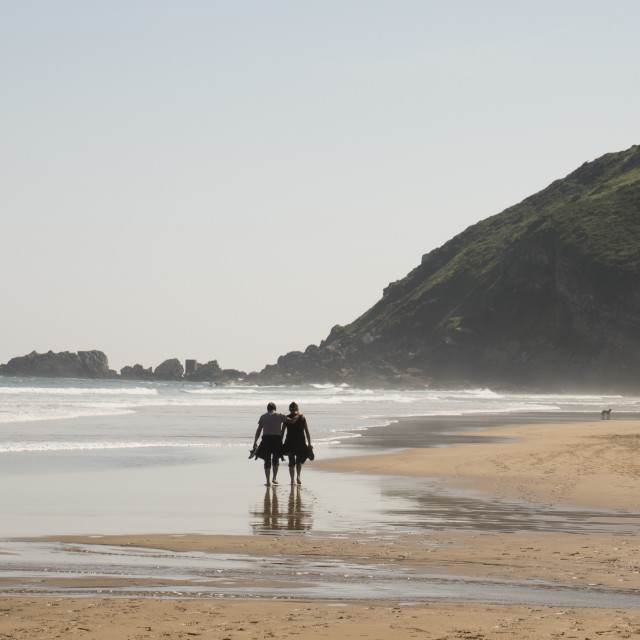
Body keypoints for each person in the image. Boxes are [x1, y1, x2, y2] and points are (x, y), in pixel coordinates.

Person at [253, 402, 298, 486]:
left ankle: (268, 481)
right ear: (275, 408)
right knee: (275, 459)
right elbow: (291, 422)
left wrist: (255, 441)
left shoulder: (263, 416)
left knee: (267, 460)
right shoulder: (280, 415)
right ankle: (274, 478)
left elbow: (259, 430)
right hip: (277, 439)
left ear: (267, 409)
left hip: (266, 439)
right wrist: (298, 415)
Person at [281, 401, 312, 485]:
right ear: (297, 409)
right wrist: (309, 443)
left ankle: (292, 480)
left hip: (290, 442)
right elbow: (307, 431)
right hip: (300, 441)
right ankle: (298, 476)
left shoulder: (286, 418)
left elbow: (282, 432)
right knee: (299, 461)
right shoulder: (302, 418)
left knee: (291, 461)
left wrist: (280, 443)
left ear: (289, 409)